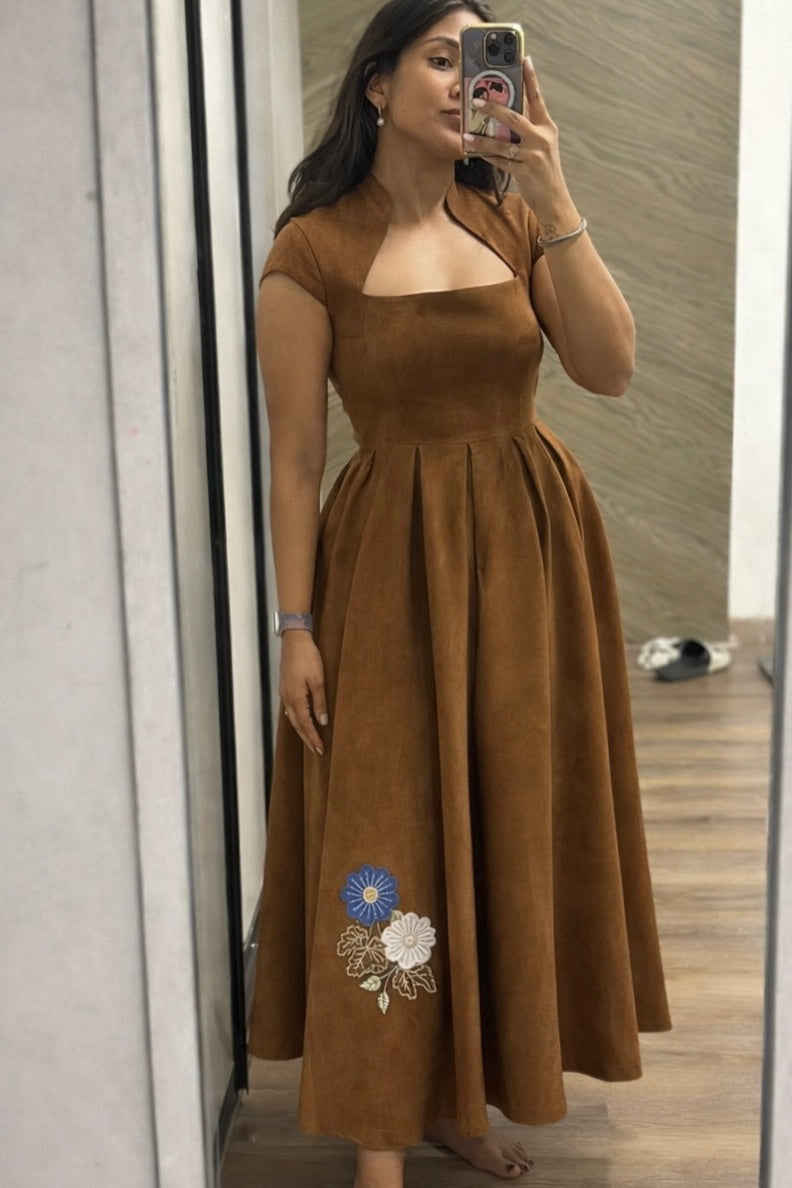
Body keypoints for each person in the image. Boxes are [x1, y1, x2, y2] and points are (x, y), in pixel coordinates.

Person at [247, 2, 672, 1186]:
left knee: (507, 818)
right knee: (385, 828)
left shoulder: (515, 215)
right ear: (376, 86)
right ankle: (380, 1129)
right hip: (386, 565)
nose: (461, 78)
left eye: (478, 58)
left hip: (531, 552)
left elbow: (610, 366)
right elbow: (290, 457)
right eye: (438, 57)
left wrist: (560, 186)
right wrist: (295, 629)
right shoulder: (312, 251)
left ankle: (461, 1096)